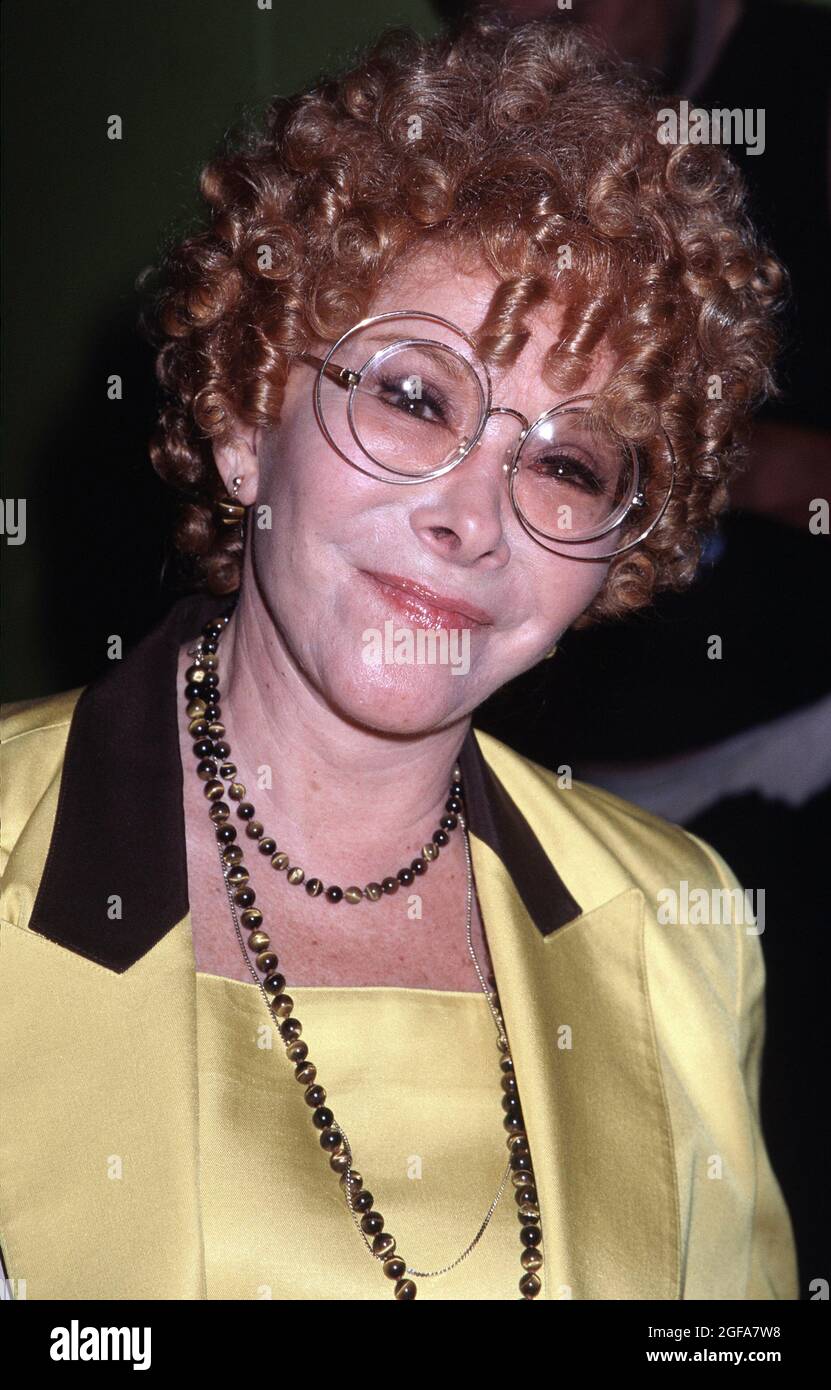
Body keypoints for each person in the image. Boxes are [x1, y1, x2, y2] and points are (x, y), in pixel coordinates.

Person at [0, 13, 799, 1300]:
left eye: (565, 463)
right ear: (247, 418)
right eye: (416, 395)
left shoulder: (679, 934)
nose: (472, 519)